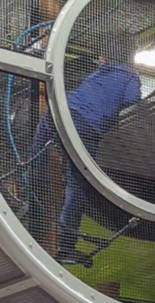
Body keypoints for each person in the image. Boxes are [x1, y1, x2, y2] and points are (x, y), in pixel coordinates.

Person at [31, 49, 141, 259]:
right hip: (86, 127)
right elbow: (132, 100)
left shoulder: (101, 71)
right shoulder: (129, 77)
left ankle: (28, 194)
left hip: (60, 113)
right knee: (78, 186)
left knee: (38, 157)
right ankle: (66, 246)